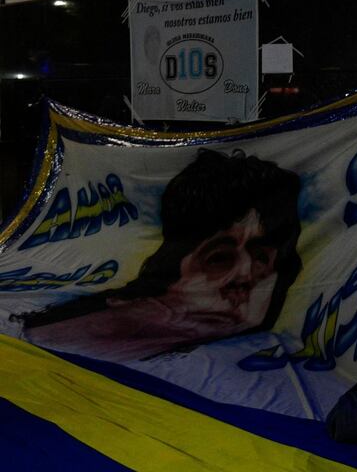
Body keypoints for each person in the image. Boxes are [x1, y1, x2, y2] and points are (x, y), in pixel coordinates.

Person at [14, 148, 302, 363]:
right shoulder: (82, 333)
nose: (243, 276)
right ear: (174, 264)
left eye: (262, 258)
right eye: (218, 259)